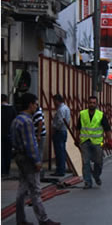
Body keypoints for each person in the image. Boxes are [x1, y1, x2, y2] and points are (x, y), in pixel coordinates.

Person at [11, 93, 60, 225]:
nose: (36, 106)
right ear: (30, 104)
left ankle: (20, 219)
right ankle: (43, 219)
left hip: (19, 157)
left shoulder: (16, 120)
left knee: (22, 188)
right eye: (35, 104)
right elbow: (30, 144)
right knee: (36, 190)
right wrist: (37, 161)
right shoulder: (27, 122)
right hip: (28, 159)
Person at [76, 96, 112, 189]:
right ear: (88, 103)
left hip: (98, 142)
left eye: (93, 103)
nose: (91, 104)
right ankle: (87, 181)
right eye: (90, 102)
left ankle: (96, 175)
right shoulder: (82, 114)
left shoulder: (101, 115)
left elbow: (107, 129)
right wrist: (77, 139)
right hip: (85, 141)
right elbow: (78, 128)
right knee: (86, 162)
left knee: (98, 161)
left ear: (96, 104)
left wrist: (110, 140)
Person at [51, 94, 70, 177]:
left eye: (54, 101)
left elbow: (60, 121)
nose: (53, 103)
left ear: (57, 101)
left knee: (59, 151)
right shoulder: (66, 108)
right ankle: (61, 169)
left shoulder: (60, 109)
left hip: (59, 131)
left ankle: (60, 170)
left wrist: (55, 128)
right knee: (62, 151)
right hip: (64, 131)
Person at [2, 94, 17, 177]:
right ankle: (7, 170)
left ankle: (2, 170)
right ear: (7, 100)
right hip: (9, 134)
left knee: (1, 153)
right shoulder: (12, 109)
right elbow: (15, 121)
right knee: (8, 152)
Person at [33, 105, 47, 180]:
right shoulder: (39, 110)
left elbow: (40, 122)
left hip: (40, 135)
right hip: (40, 134)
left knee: (38, 152)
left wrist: (38, 135)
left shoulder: (37, 111)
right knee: (39, 152)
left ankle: (39, 169)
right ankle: (38, 169)